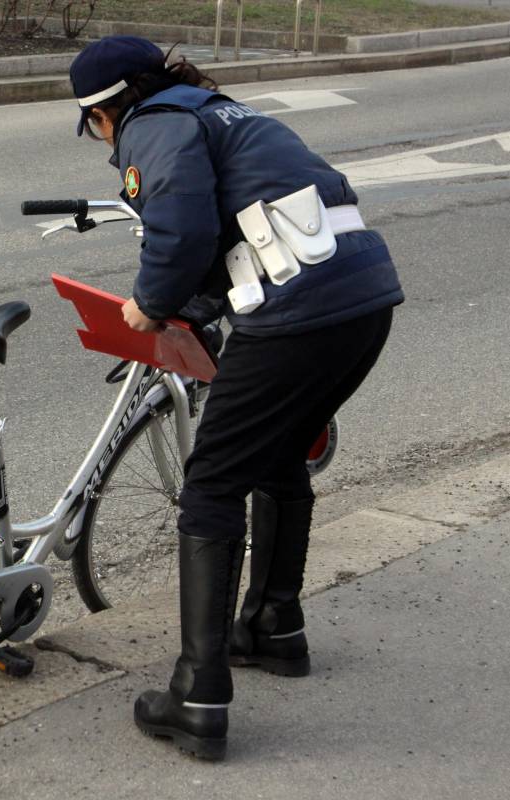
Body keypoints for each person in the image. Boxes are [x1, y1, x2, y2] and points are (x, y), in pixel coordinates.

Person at [68, 36, 403, 761]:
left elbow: (181, 226)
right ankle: (273, 627)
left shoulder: (153, 122)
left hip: (298, 312)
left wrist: (150, 304)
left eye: (95, 125)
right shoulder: (223, 111)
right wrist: (192, 299)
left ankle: (197, 694)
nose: (103, 139)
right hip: (363, 296)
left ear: (106, 110)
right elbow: (248, 222)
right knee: (279, 455)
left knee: (213, 485)